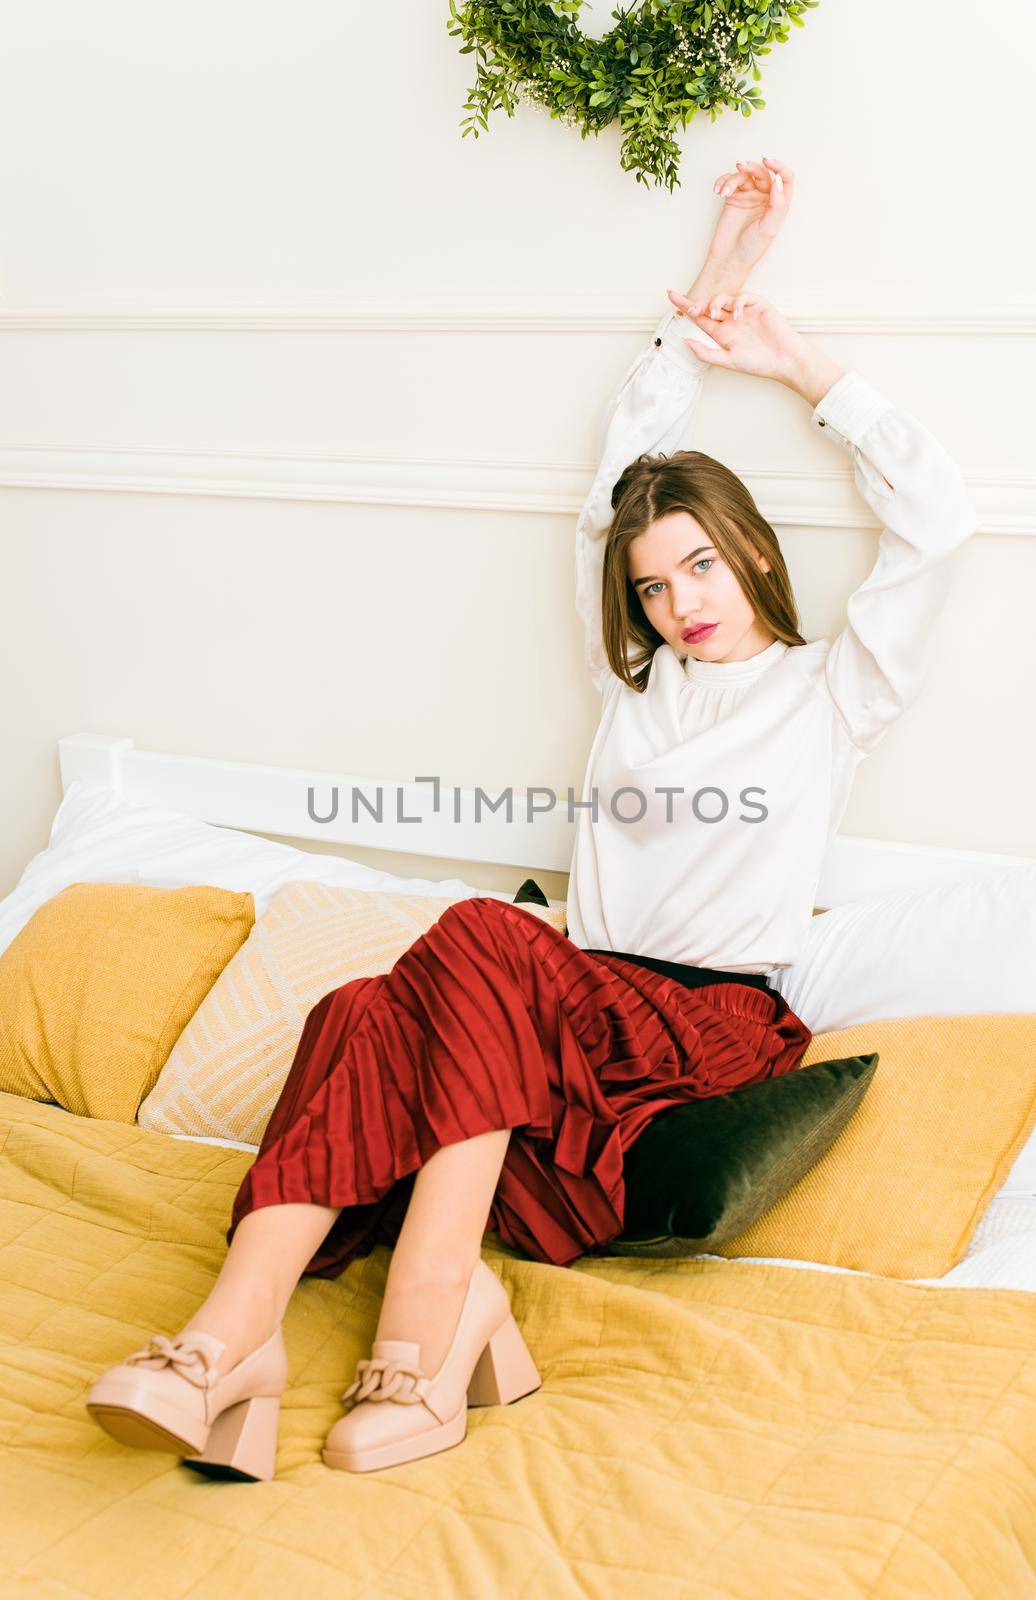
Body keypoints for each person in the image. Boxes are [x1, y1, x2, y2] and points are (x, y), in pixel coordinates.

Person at [85, 157, 977, 1483]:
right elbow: (615, 478)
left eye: (703, 566)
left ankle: (421, 1325)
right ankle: (238, 1340)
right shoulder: (639, 689)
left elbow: (941, 522)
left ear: (753, 555)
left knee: (477, 938)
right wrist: (710, 281)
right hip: (553, 1041)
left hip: (697, 1031)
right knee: (359, 1016)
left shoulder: (831, 693)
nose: (684, 603)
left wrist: (795, 365)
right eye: (658, 585)